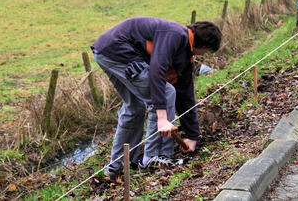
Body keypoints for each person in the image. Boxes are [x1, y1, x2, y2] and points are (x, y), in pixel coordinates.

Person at [91, 17, 222, 179]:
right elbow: (157, 70)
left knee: (134, 107)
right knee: (166, 93)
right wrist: (162, 118)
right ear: (204, 45)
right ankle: (152, 157)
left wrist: (192, 136)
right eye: (207, 51)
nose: (204, 55)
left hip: (106, 51)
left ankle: (118, 165)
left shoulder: (185, 56)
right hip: (118, 50)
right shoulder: (175, 35)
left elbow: (185, 95)